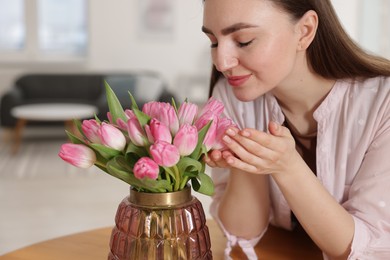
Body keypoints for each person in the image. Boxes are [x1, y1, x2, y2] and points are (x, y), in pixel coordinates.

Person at [201, 0, 390, 259]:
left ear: (305, 31)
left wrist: (286, 165)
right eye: (213, 41)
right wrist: (246, 159)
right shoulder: (232, 95)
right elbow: (240, 234)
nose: (221, 62)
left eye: (244, 41)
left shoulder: (383, 104)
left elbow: (360, 249)